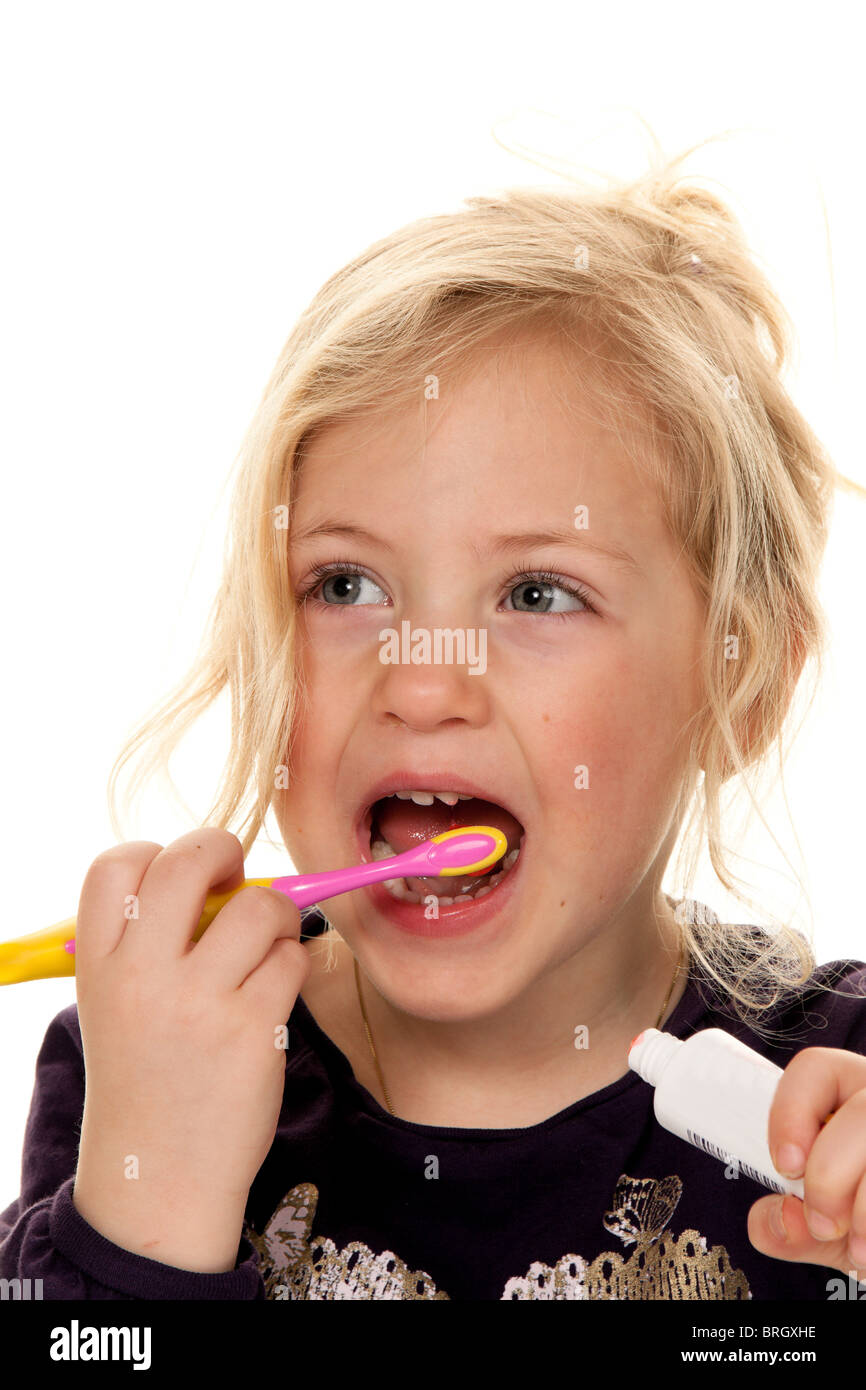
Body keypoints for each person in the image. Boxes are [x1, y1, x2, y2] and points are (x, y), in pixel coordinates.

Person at [4, 141, 866, 1300]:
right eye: (345, 586)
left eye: (535, 594)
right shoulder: (149, 1057)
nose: (420, 678)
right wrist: (148, 1203)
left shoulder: (836, 1089)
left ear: (741, 685)